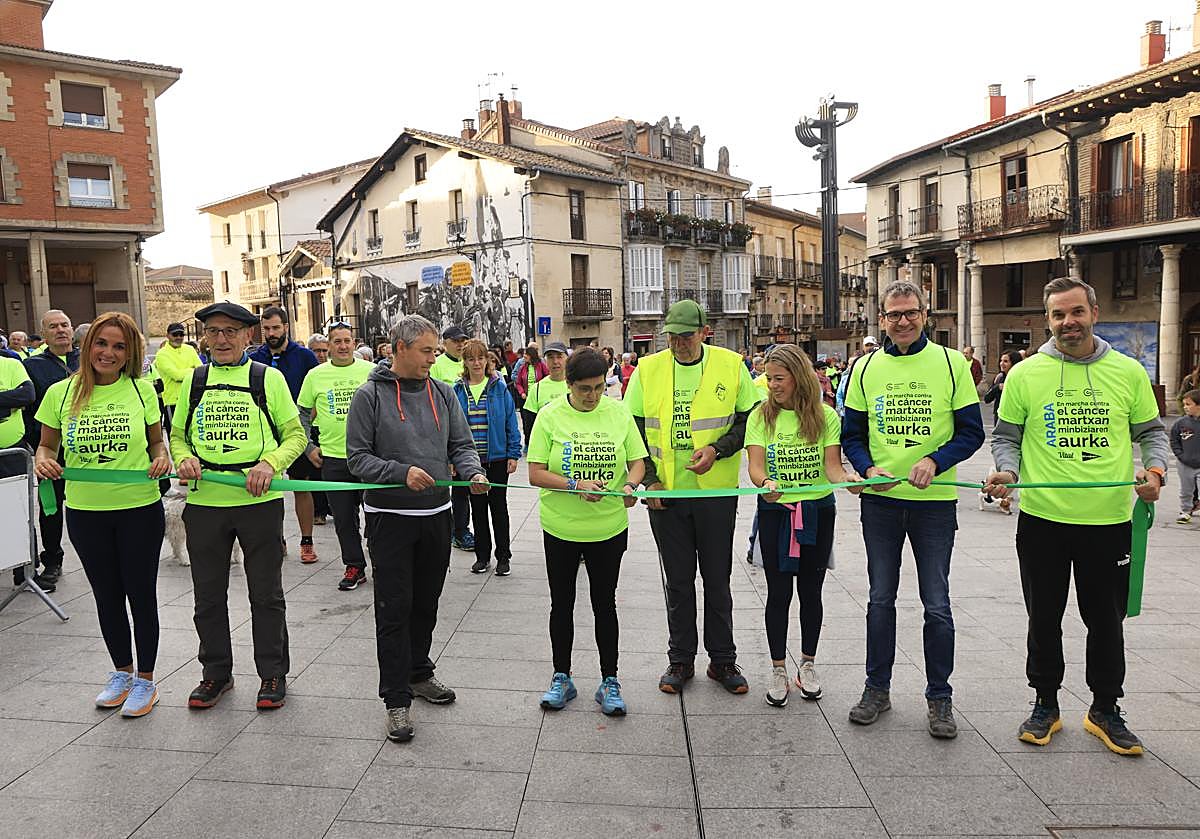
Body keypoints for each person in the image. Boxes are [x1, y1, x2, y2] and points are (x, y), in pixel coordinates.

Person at [984, 276, 1167, 756]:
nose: (1068, 322)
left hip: (1108, 523)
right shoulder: (1026, 374)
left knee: (1105, 620)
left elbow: (1152, 434)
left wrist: (1156, 470)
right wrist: (1006, 470)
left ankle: (1105, 709)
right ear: (1048, 320)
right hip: (1043, 521)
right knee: (1043, 617)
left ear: (1094, 312)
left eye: (1076, 312)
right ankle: (1045, 703)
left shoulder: (1127, 372)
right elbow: (1006, 437)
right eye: (1058, 315)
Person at [842, 280, 984, 739]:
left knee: (937, 604)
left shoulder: (950, 363)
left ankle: (939, 698)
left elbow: (971, 432)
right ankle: (876, 689)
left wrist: (935, 460)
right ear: (880, 319)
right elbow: (852, 436)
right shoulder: (864, 368)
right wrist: (865, 469)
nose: (902, 321)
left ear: (926, 315)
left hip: (934, 507)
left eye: (910, 313)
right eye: (892, 315)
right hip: (881, 505)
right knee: (880, 600)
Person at [345, 314, 488, 743]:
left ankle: (420, 672)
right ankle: (395, 699)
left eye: (435, 350)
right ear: (399, 349)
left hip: (436, 515)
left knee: (426, 603)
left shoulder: (443, 393)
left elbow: (461, 445)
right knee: (394, 608)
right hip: (390, 520)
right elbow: (357, 460)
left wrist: (473, 472)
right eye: (427, 350)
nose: (435, 357)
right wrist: (399, 472)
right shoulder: (368, 396)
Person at [171, 302, 308, 711]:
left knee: (265, 594)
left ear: (249, 335)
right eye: (213, 331)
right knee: (207, 596)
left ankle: (272, 672)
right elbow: (177, 436)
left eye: (231, 331)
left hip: (257, 504)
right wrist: (184, 458)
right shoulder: (194, 380)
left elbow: (295, 435)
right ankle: (215, 673)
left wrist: (271, 463)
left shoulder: (269, 379)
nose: (221, 339)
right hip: (206, 505)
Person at [34, 313, 170, 717]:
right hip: (85, 511)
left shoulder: (143, 391)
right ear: (87, 345)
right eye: (101, 343)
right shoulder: (61, 393)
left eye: (119, 346)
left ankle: (146, 680)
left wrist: (161, 459)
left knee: (140, 595)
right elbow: (45, 447)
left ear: (130, 354)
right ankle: (121, 673)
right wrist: (44, 461)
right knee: (107, 596)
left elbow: (157, 444)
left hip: (138, 509)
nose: (108, 353)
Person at [625, 299, 761, 695]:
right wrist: (649, 481)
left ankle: (723, 661)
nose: (677, 343)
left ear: (705, 332)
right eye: (672, 336)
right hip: (666, 494)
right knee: (679, 581)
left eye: (686, 336)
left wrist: (718, 450)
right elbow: (632, 430)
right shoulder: (648, 369)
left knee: (718, 579)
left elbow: (748, 421)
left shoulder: (730, 365)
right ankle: (680, 659)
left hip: (716, 493)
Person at [528, 347, 646, 715]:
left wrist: (630, 487)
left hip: (607, 528)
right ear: (569, 384)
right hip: (561, 528)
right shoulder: (549, 417)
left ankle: (610, 680)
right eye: (584, 390)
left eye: (598, 388)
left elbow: (637, 463)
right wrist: (574, 484)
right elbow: (535, 473)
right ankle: (561, 676)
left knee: (604, 604)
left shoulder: (618, 413)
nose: (593, 396)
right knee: (561, 604)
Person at [747, 344, 861, 707]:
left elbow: (831, 467)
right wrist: (764, 483)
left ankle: (807, 665)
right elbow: (755, 466)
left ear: (798, 378)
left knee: (812, 592)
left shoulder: (826, 417)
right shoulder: (760, 417)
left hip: (816, 513)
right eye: (768, 378)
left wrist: (848, 479)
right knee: (779, 593)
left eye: (779, 378)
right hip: (776, 514)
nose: (772, 385)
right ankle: (779, 667)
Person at [297, 322, 376, 590]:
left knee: (377, 515)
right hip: (332, 458)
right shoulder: (315, 375)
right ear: (328, 346)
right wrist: (308, 446)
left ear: (355, 343)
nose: (343, 346)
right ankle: (354, 565)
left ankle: (381, 560)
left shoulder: (371, 372)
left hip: (369, 458)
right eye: (337, 341)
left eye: (347, 340)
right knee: (343, 518)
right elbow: (303, 415)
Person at [249, 306, 320, 562]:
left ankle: (307, 542)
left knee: (301, 487)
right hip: (266, 437)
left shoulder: (305, 357)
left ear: (286, 327)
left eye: (275, 328)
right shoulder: (255, 359)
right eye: (266, 328)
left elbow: (314, 396)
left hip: (296, 433)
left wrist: (304, 433)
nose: (270, 333)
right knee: (270, 489)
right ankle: (276, 539)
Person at [20, 309, 80, 590]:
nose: (61, 330)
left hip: (88, 451)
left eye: (65, 325)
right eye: (53, 326)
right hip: (52, 454)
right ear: (44, 334)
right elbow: (29, 410)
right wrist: (39, 445)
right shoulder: (33, 366)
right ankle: (53, 560)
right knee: (51, 508)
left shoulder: (89, 359)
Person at [453, 339, 521, 576]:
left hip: (498, 458)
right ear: (465, 362)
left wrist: (514, 452)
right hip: (471, 462)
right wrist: (452, 458)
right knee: (478, 509)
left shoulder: (499, 387)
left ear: (488, 360)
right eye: (471, 358)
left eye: (480, 358)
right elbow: (452, 426)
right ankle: (482, 556)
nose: (476, 363)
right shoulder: (457, 389)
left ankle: (504, 557)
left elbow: (511, 421)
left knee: (499, 509)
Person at [429, 325, 476, 552]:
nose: (460, 344)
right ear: (444, 342)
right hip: (443, 434)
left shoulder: (468, 363)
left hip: (468, 434)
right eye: (456, 341)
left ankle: (461, 530)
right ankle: (451, 530)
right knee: (447, 487)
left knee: (463, 487)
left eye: (463, 340)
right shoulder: (436, 366)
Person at [303, 333, 332, 525]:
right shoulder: (311, 374)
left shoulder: (332, 370)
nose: (321, 355)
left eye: (324, 350)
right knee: (317, 474)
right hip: (316, 430)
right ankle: (319, 511)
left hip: (337, 432)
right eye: (316, 351)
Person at [151, 322, 202, 427]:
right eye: (175, 335)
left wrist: (185, 372)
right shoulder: (162, 354)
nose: (178, 337)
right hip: (173, 402)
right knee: (175, 437)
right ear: (168, 335)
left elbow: (200, 371)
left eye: (181, 334)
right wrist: (192, 370)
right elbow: (176, 376)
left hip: (191, 399)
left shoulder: (190, 349)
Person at [1171, 389, 1200, 524]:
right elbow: (1174, 440)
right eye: (1184, 404)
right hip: (1185, 464)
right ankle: (1185, 511)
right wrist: (1180, 455)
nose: (1185, 407)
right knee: (1186, 490)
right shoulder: (1180, 423)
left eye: (1188, 404)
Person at [835, 335, 879, 416]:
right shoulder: (858, 362)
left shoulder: (881, 362)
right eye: (867, 345)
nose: (869, 348)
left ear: (876, 346)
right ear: (863, 347)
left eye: (871, 345)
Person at [516, 343, 548, 449]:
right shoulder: (522, 368)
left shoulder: (541, 365)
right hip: (525, 400)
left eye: (526, 354)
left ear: (531, 355)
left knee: (538, 422)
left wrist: (541, 389)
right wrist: (522, 393)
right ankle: (527, 443)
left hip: (538, 399)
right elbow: (518, 382)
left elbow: (547, 377)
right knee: (527, 423)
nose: (524, 356)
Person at [523, 341, 568, 415]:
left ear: (567, 359)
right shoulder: (536, 389)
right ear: (545, 361)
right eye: (550, 357)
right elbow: (530, 423)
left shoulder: (576, 386)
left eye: (559, 357)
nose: (555, 361)